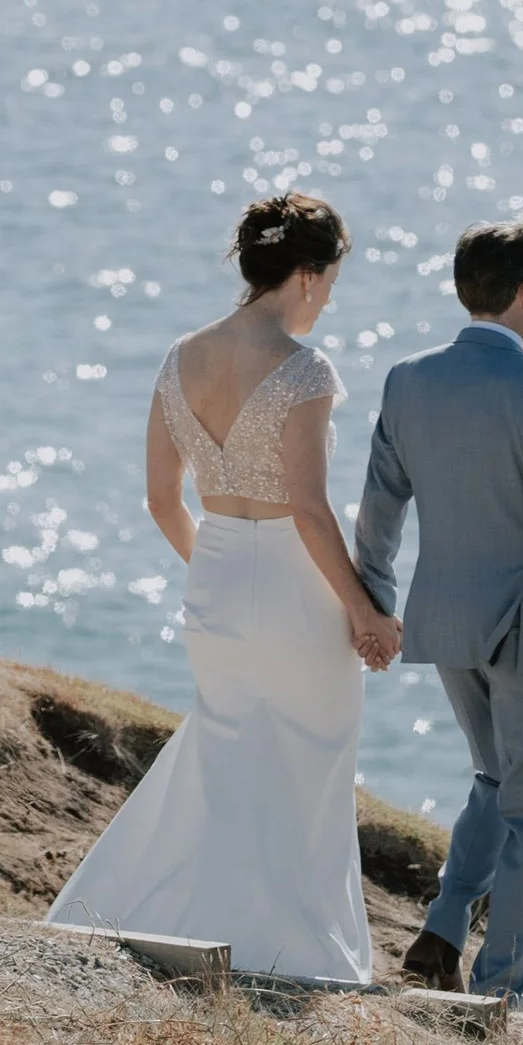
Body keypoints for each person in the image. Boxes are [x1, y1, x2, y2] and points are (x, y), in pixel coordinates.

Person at [47, 189, 400, 981]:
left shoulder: (182, 356)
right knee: (309, 766)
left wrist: (215, 564)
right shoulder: (304, 369)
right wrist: (364, 610)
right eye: (334, 277)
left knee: (230, 753)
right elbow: (309, 508)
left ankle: (193, 922)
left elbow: (160, 498)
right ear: (307, 275)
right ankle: (292, 949)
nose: (332, 295)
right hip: (293, 587)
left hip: (215, 580)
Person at [351, 214, 523, 1003]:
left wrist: (376, 598)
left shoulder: (409, 378)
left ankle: (441, 930)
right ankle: (495, 995)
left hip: (446, 623)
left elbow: (378, 508)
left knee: (496, 779)